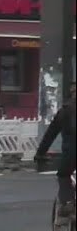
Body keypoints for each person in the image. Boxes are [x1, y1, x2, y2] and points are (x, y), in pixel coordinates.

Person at [35, 82, 76, 219]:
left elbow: (50, 134)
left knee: (63, 175)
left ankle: (68, 204)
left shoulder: (66, 110)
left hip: (72, 154)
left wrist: (40, 153)